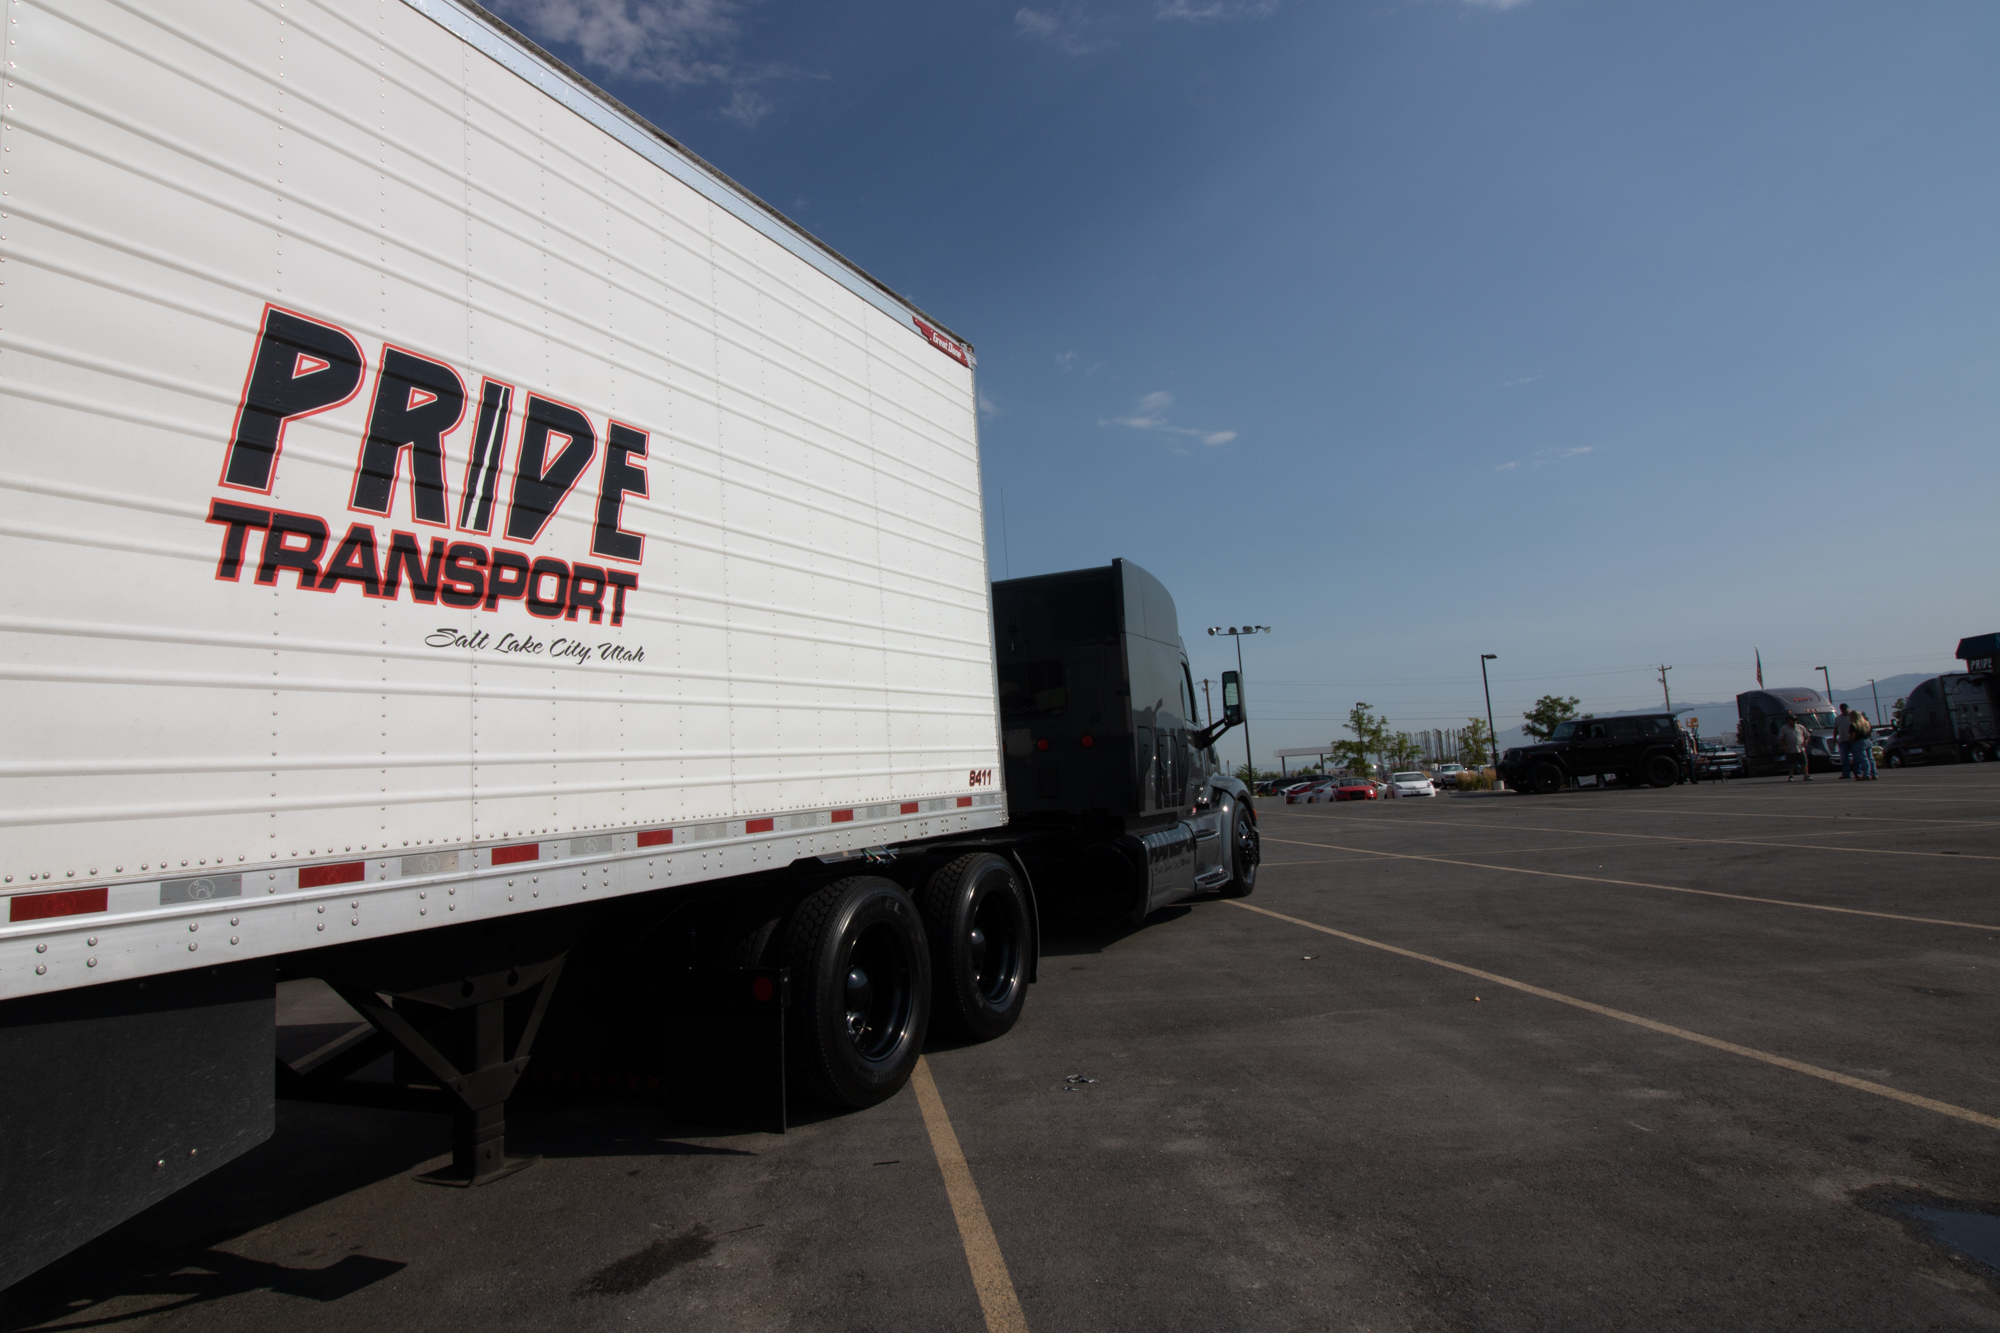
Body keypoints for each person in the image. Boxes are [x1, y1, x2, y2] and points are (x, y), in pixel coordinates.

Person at [1779, 714, 1810, 781]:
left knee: (1804, 763)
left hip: (1801, 748)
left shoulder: (1800, 727)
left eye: (1795, 720)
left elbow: (1807, 735)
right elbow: (1781, 738)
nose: (1794, 721)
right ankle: (1791, 776)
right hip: (1790, 749)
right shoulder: (1784, 728)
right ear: (1788, 721)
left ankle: (1806, 775)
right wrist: (1784, 746)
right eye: (1793, 720)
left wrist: (1805, 741)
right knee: (1791, 764)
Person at [1853, 710, 1877, 780]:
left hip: (1860, 741)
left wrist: (1852, 741)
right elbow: (1870, 733)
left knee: (1863, 758)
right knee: (1870, 758)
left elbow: (1852, 735)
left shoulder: (1854, 724)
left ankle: (1866, 774)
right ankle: (1874, 774)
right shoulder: (1866, 723)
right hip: (1868, 740)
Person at [1836, 703, 1856, 779]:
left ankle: (1857, 773)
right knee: (1844, 758)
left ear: (1848, 708)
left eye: (1845, 708)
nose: (1844, 710)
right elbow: (1836, 729)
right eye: (1842, 709)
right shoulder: (1838, 718)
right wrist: (1835, 737)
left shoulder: (1852, 717)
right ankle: (1846, 774)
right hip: (1843, 740)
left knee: (1856, 757)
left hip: (1852, 740)